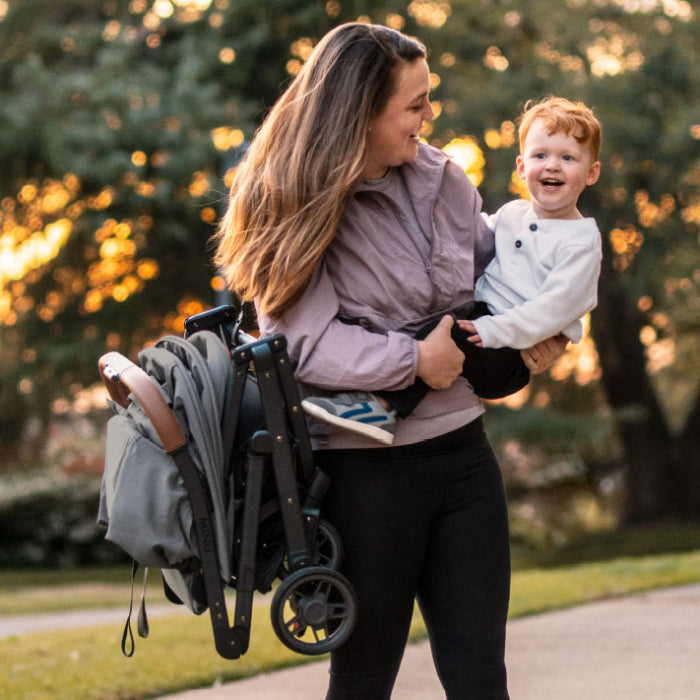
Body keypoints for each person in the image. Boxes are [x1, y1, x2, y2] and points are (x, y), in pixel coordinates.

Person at [215, 22, 566, 700]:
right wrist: (413, 360)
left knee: (479, 679)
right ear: (361, 112)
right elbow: (303, 343)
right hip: (363, 477)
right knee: (363, 682)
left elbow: (496, 271)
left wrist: (542, 329)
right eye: (414, 105)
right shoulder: (294, 202)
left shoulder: (442, 178)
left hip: (463, 462)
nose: (428, 117)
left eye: (427, 99)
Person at [303, 96, 602, 445]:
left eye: (567, 158)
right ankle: (374, 400)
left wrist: (497, 330)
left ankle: (382, 408)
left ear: (591, 172)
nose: (552, 166)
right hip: (485, 324)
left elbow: (556, 307)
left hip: (508, 353)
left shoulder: (581, 241)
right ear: (521, 167)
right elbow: (470, 243)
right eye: (541, 156)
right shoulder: (512, 214)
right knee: (432, 332)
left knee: (442, 335)